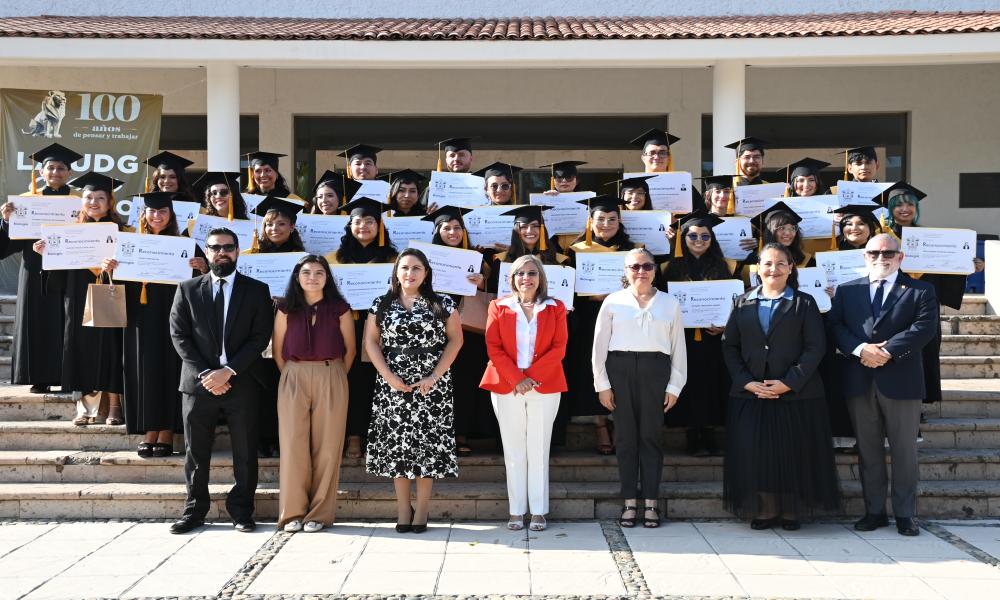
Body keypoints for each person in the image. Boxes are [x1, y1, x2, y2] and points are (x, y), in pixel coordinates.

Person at [721, 243, 839, 531]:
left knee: (792, 452)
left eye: (780, 264)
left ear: (790, 268)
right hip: (751, 394)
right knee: (756, 454)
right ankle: (765, 509)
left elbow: (815, 347)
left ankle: (790, 511)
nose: (773, 269)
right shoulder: (742, 302)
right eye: (767, 264)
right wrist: (747, 382)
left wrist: (788, 383)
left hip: (796, 395)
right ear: (757, 269)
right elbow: (729, 346)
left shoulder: (804, 302)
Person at [827, 233, 939, 536]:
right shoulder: (847, 291)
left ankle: (905, 514)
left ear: (900, 257)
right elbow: (835, 325)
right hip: (859, 379)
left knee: (904, 452)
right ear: (865, 256)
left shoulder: (921, 290)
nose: (881, 258)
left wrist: (886, 352)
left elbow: (924, 328)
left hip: (902, 380)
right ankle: (874, 512)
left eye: (888, 253)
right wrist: (862, 349)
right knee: (868, 450)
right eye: (874, 252)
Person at [167, 227, 274, 534]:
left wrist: (228, 371)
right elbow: (180, 336)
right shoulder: (187, 289)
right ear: (207, 252)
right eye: (215, 247)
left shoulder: (256, 290)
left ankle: (241, 511)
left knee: (244, 451)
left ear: (238, 252)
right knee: (196, 452)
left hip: (242, 382)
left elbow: (259, 338)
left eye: (228, 247)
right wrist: (207, 374)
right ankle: (194, 510)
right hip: (197, 384)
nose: (221, 252)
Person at [364, 248, 464, 533]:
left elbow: (455, 341)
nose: (410, 273)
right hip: (393, 384)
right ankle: (402, 509)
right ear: (396, 271)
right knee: (399, 448)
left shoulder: (442, 303)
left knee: (426, 448)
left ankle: (421, 509)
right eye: (405, 268)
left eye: (416, 268)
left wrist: (434, 375)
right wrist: (388, 376)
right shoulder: (381, 304)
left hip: (431, 384)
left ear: (426, 273)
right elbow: (371, 342)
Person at [592, 247, 686, 529]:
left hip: (655, 371)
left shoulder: (670, 303)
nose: (641, 272)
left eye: (646, 266)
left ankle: (651, 503)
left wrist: (675, 385)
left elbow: (678, 348)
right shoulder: (612, 302)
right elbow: (598, 347)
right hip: (619, 370)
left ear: (655, 270)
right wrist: (603, 385)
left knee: (651, 438)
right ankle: (630, 501)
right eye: (635, 267)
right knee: (625, 439)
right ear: (625, 270)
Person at [114, 192, 208, 457]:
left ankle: (167, 431)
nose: (157, 216)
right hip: (139, 318)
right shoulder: (130, 243)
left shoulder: (186, 244)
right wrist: (110, 267)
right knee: (144, 371)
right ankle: (148, 430)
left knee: (170, 369)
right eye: (152, 212)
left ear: (171, 215)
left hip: (175, 317)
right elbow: (119, 282)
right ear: (143, 214)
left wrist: (202, 268)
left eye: (162, 212)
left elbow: (206, 283)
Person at [480, 254, 568, 532]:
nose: (526, 278)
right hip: (508, 385)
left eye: (531, 273)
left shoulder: (556, 307)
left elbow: (559, 347)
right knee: (514, 449)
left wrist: (531, 378)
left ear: (540, 278)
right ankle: (516, 510)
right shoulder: (498, 306)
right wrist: (518, 378)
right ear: (512, 278)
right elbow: (494, 347)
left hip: (544, 385)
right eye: (520, 273)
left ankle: (539, 511)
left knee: (539, 448)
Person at [34, 172, 127, 426]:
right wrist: (47, 254)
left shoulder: (123, 231)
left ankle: (115, 406)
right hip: (77, 296)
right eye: (89, 197)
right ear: (81, 201)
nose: (94, 202)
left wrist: (117, 265)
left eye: (100, 197)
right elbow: (58, 275)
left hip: (110, 294)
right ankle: (85, 407)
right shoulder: (69, 232)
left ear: (110, 202)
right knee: (80, 349)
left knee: (111, 349)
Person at [272, 255, 355, 533]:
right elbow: (278, 349)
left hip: (331, 373)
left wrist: (332, 376)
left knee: (328, 447)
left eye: (319, 273)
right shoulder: (285, 308)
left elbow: (350, 350)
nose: (312, 277)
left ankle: (319, 513)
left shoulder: (340, 309)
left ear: (327, 278)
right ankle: (292, 513)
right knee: (293, 444)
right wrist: (294, 373)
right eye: (306, 272)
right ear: (297, 277)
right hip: (294, 374)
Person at [0, 143, 82, 393]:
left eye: (61, 168)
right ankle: (40, 378)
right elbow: (6, 246)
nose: (55, 172)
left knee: (68, 323)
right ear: (42, 173)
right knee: (37, 322)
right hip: (35, 270)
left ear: (69, 173)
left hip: (69, 271)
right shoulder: (26, 203)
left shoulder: (78, 202)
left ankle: (69, 377)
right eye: (50, 168)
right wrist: (5, 221)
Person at [661, 212, 741, 456]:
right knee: (688, 383)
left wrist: (728, 325)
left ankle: (709, 432)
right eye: (692, 235)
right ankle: (691, 434)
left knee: (712, 383)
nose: (699, 240)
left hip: (715, 338)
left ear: (712, 239)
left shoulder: (729, 266)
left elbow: (738, 302)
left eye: (705, 235)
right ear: (683, 238)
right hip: (681, 338)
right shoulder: (667, 267)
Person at [881, 183, 965, 409]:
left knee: (925, 352)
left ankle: (918, 403)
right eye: (898, 205)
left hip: (924, 305)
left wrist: (968, 265)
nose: (904, 209)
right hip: (892, 306)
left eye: (910, 204)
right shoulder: (882, 238)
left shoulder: (930, 237)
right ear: (889, 209)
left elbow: (946, 270)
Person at [566, 195, 638, 456]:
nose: (606, 224)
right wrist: (588, 295)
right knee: (593, 368)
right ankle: (599, 424)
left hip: (624, 318)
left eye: (612, 219)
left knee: (621, 368)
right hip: (588, 319)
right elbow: (567, 289)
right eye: (600, 219)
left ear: (620, 221)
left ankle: (620, 421)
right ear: (590, 221)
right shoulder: (576, 252)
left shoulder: (633, 251)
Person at [326, 197, 398, 459]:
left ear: (379, 226)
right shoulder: (334, 259)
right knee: (350, 381)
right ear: (349, 225)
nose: (364, 226)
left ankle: (378, 436)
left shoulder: (394, 258)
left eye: (370, 221)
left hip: (383, 330)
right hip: (345, 328)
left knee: (378, 382)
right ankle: (353, 435)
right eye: (358, 221)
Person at [423, 206, 493, 456]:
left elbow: (493, 290)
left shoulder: (477, 259)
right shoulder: (425, 258)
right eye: (446, 227)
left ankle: (460, 432)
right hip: (433, 328)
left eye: (457, 228)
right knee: (435, 379)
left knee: (463, 382)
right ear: (437, 230)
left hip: (467, 329)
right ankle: (434, 434)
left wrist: (483, 282)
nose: (452, 232)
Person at [245, 196, 307, 457]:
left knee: (285, 383)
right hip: (256, 326)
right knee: (259, 383)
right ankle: (260, 437)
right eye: (270, 224)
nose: (275, 229)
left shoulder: (303, 260)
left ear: (292, 227)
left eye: (281, 224)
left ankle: (282, 437)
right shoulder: (250, 258)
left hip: (291, 326)